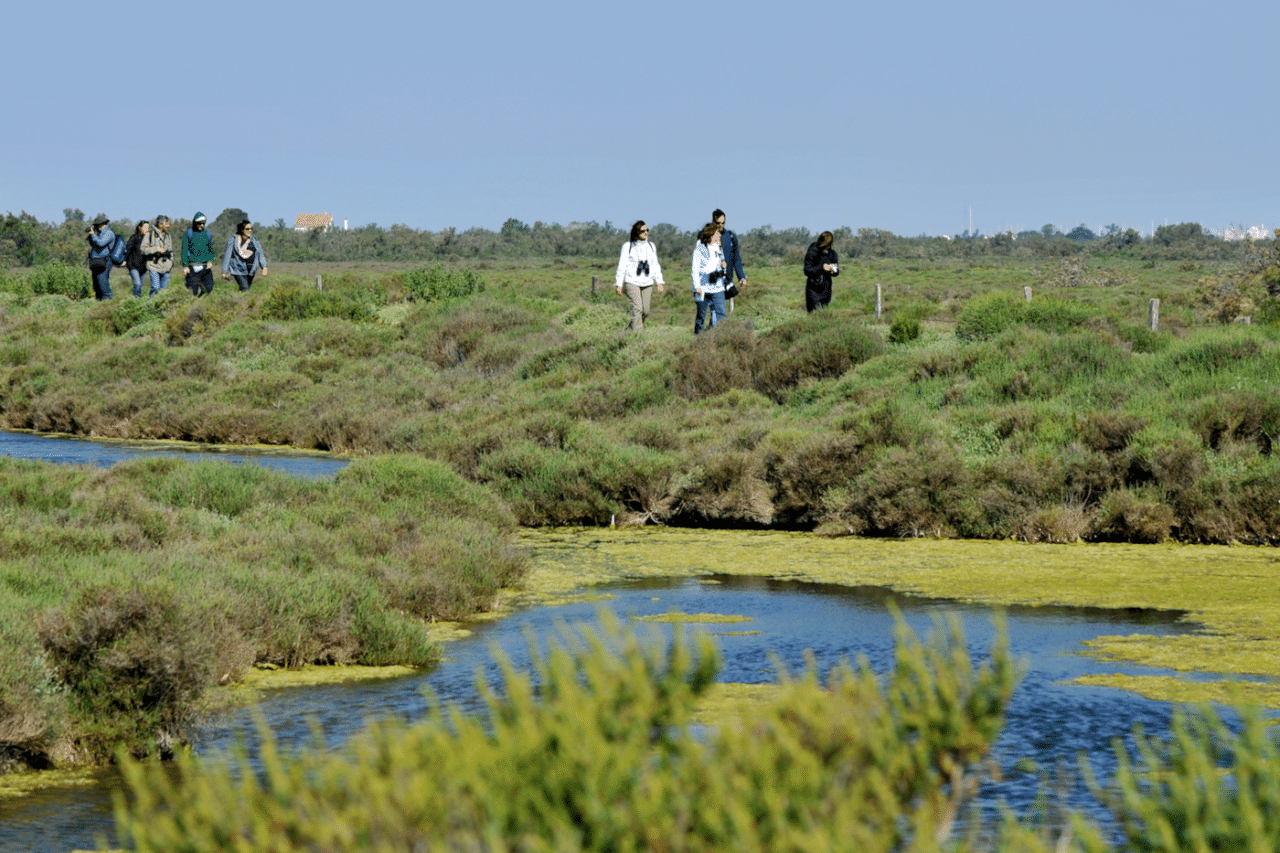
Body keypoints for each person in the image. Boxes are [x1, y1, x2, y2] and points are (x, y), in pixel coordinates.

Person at [614, 221, 666, 331]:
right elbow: (622, 265)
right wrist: (619, 284)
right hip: (632, 281)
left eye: (647, 230)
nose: (646, 232)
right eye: (643, 231)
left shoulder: (651, 246)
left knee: (645, 311)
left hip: (647, 282)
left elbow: (655, 264)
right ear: (636, 232)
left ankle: (629, 330)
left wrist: (659, 282)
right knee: (637, 308)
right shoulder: (628, 246)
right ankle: (638, 336)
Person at [691, 222, 728, 333]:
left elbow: (721, 266)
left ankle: (721, 338)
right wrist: (697, 286)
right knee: (701, 316)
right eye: (717, 233)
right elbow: (695, 270)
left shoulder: (718, 248)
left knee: (721, 313)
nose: (720, 235)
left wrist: (723, 266)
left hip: (717, 286)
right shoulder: (700, 249)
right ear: (711, 234)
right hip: (702, 287)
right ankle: (698, 340)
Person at [221, 219, 269, 291]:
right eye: (247, 229)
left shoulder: (254, 241)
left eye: (251, 229)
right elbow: (227, 255)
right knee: (245, 289)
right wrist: (224, 271)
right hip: (238, 269)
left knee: (246, 289)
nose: (250, 230)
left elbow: (260, 254)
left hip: (251, 270)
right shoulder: (233, 240)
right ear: (242, 230)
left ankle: (239, 301)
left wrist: (264, 267)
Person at [712, 209, 747, 308]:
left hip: (725, 282)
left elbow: (736, 259)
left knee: (718, 311)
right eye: (718, 223)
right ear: (713, 222)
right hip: (711, 281)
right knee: (716, 311)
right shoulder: (706, 236)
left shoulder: (730, 237)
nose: (720, 225)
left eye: (723, 223)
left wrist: (741, 277)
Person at [803, 231, 840, 312]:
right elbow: (807, 270)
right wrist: (821, 268)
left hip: (826, 291)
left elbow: (836, 272)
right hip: (813, 291)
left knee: (824, 315)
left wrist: (832, 269)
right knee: (813, 315)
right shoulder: (813, 250)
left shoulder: (832, 254)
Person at [182, 212, 217, 296]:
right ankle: (193, 304)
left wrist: (210, 261)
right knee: (192, 291)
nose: (202, 225)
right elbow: (184, 250)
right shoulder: (189, 233)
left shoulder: (208, 234)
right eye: (199, 223)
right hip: (192, 267)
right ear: (195, 223)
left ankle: (200, 300)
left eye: (203, 223)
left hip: (205, 266)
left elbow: (211, 250)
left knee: (209, 288)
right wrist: (185, 266)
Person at [140, 215, 174, 296]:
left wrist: (171, 262)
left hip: (166, 267)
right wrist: (156, 249)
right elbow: (143, 249)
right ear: (160, 224)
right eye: (167, 223)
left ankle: (160, 307)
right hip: (153, 266)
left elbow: (171, 251)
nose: (169, 225)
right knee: (155, 287)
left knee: (163, 291)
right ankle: (151, 305)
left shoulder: (168, 236)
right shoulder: (149, 235)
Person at [85, 215, 116, 300]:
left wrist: (93, 234)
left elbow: (101, 243)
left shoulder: (109, 233)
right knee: (96, 285)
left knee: (103, 284)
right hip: (96, 261)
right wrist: (91, 236)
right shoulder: (99, 233)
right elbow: (94, 244)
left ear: (101, 224)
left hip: (105, 260)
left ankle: (108, 304)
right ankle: (99, 305)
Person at [124, 220, 151, 298]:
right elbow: (128, 249)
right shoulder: (134, 237)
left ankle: (137, 302)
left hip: (143, 267)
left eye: (148, 227)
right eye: (145, 227)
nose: (147, 229)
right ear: (139, 228)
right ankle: (133, 301)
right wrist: (124, 260)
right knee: (138, 284)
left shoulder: (149, 239)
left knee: (140, 287)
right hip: (133, 266)